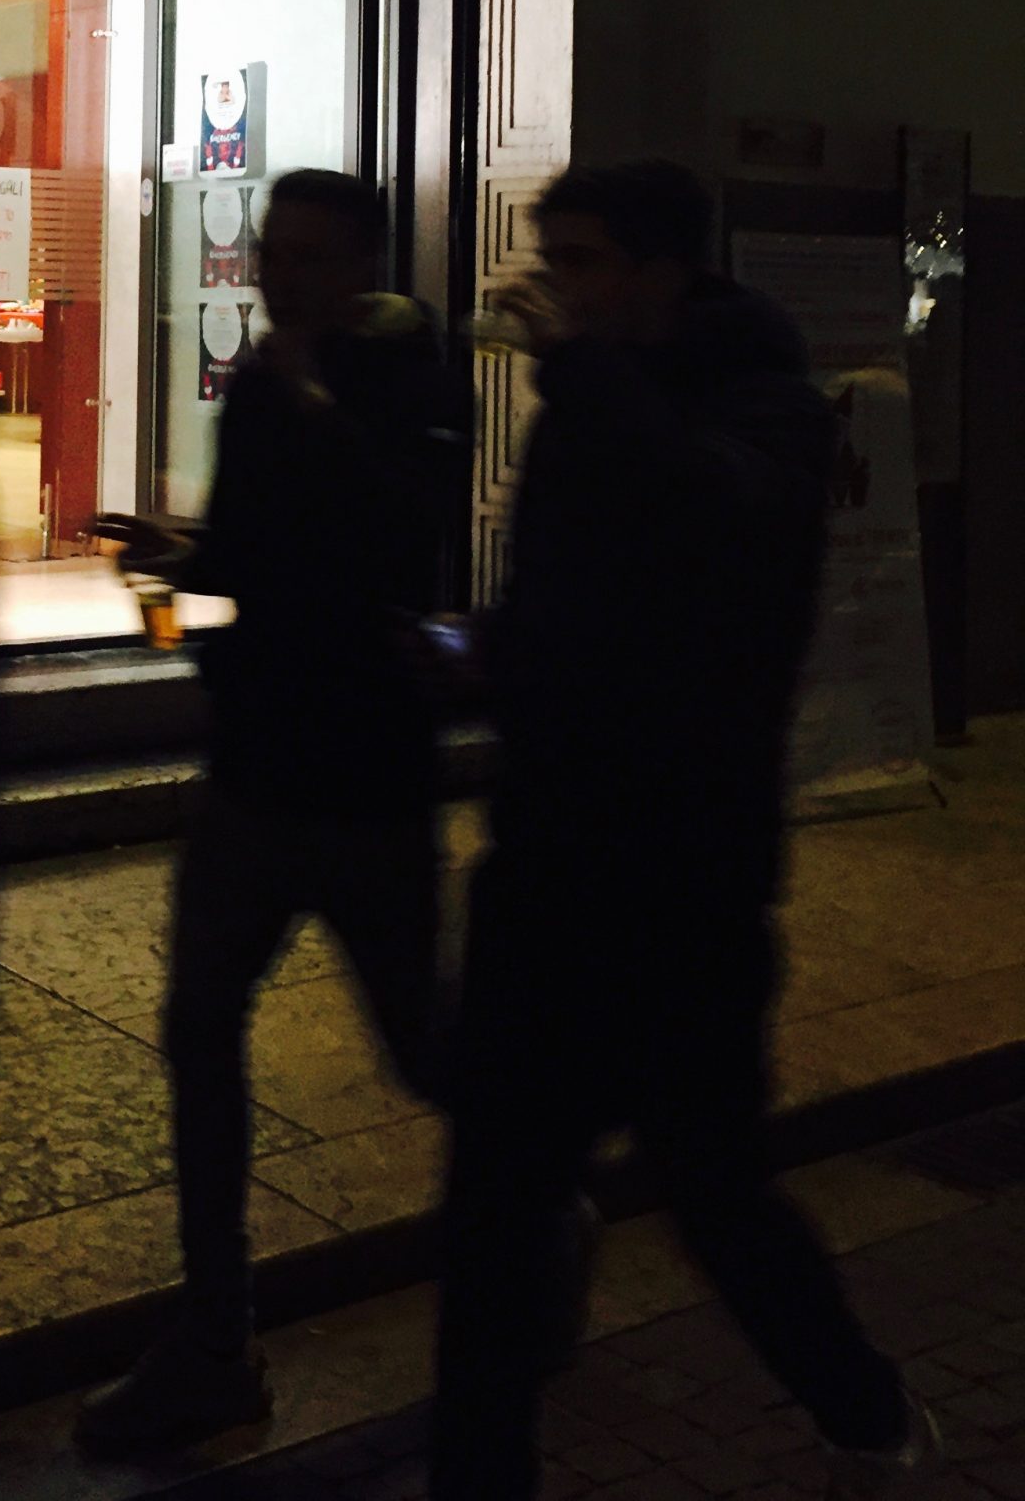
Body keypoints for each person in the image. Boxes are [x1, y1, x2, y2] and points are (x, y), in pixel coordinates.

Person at [430, 161, 941, 1500]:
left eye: (585, 262)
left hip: (682, 890)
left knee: (715, 1193)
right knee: (490, 1213)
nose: (557, 289)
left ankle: (866, 1411)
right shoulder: (594, 408)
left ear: (663, 271)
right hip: (546, 873)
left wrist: (581, 375)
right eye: (551, 259)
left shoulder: (764, 408)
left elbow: (711, 533)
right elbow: (566, 610)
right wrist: (475, 653)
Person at [77, 170, 466, 1457]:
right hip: (251, 776)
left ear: (363, 264)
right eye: (271, 252)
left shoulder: (415, 384)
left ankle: (546, 1200)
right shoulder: (257, 385)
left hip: (368, 786)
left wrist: (312, 399)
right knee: (198, 1031)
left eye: (308, 256)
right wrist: (176, 556)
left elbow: (406, 546)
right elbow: (252, 557)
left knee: (423, 1047)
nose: (278, 275)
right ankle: (214, 1339)